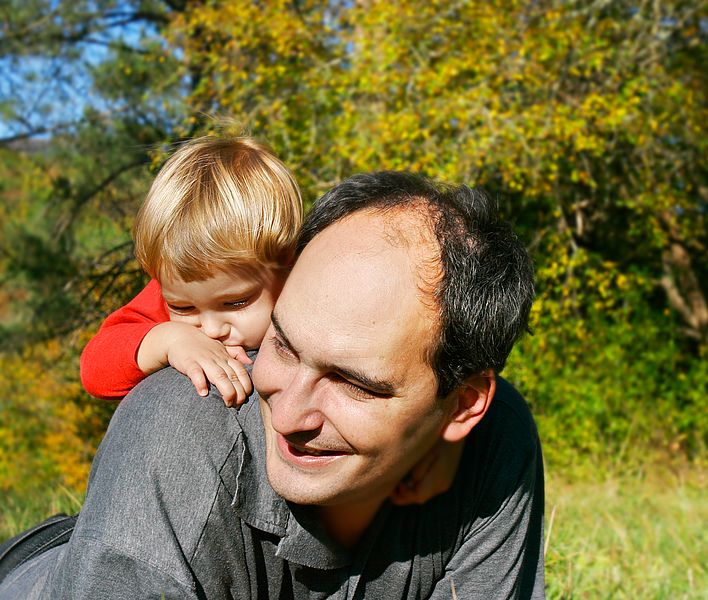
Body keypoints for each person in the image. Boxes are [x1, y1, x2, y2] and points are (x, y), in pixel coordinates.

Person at [0, 171, 544, 599]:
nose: (287, 418)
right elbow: (98, 364)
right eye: (282, 345)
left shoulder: (496, 445)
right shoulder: (181, 415)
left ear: (463, 405)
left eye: (352, 384)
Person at [79, 135, 303, 407]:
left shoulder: (313, 285)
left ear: (288, 266)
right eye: (183, 309)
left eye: (235, 302)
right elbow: (95, 369)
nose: (210, 329)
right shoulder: (176, 289)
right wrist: (169, 339)